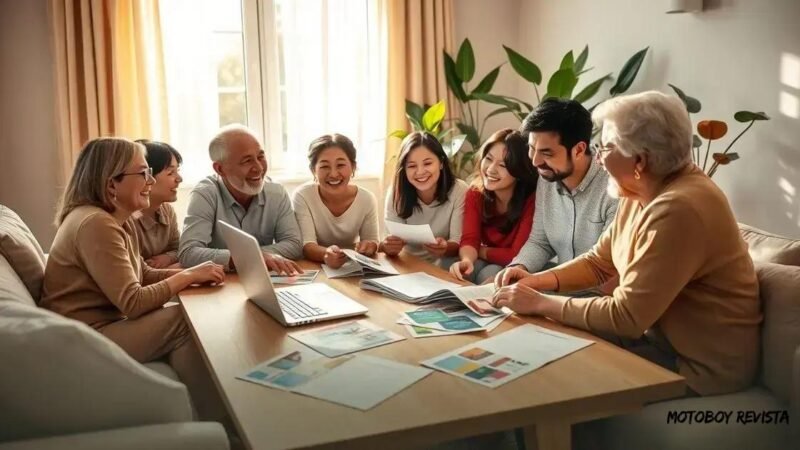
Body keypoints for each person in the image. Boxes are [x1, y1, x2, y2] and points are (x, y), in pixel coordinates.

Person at [492, 91, 761, 396]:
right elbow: (598, 261)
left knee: (551, 378)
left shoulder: (680, 208)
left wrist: (540, 302)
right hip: (656, 341)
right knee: (530, 349)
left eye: (604, 147)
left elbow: (626, 317)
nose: (599, 158)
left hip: (698, 365)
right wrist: (536, 281)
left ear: (640, 160)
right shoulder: (640, 189)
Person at [40, 137, 227, 419]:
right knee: (182, 319)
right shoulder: (96, 224)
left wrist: (196, 275)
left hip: (102, 327)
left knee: (188, 309)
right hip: (85, 339)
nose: (150, 181)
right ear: (111, 183)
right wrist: (187, 275)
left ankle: (203, 412)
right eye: (143, 173)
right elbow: (133, 301)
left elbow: (144, 274)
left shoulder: (116, 218)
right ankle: (216, 419)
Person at [495, 98, 618, 287]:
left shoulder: (614, 187)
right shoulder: (548, 178)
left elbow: (604, 265)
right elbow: (540, 241)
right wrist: (520, 267)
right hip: (558, 288)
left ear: (578, 150)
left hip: (599, 296)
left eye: (546, 153)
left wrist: (539, 284)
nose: (535, 161)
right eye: (532, 148)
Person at [179, 124, 303, 275]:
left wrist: (254, 257)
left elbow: (294, 244)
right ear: (220, 169)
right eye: (247, 161)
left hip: (259, 279)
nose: (258, 168)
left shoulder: (276, 192)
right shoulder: (205, 194)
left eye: (260, 157)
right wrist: (254, 257)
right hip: (220, 284)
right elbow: (188, 253)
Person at [449, 128, 538, 284]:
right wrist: (467, 259)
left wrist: (480, 250)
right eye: (488, 159)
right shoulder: (475, 193)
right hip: (490, 258)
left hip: (518, 266)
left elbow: (516, 255)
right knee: (456, 267)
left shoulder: (532, 200)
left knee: (490, 273)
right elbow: (470, 239)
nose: (490, 169)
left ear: (519, 170)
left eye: (503, 165)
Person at [291, 134, 379, 269]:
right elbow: (307, 245)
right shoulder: (303, 196)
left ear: (353, 167)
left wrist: (370, 246)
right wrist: (325, 254)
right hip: (314, 267)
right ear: (313, 170)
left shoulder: (367, 199)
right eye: (325, 166)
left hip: (350, 269)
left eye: (340, 165)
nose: (333, 174)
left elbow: (372, 241)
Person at [381, 131, 468, 263]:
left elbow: (457, 243)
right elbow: (389, 244)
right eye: (412, 166)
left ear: (441, 163)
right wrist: (389, 246)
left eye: (427, 163)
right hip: (406, 263)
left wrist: (445, 247)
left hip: (444, 264)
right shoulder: (395, 192)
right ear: (404, 169)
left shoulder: (459, 190)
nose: (420, 172)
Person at [132, 139, 183, 268]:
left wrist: (168, 258)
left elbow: (181, 249)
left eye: (178, 171)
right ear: (146, 175)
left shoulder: (167, 210)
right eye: (171, 173)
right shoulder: (127, 219)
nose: (179, 179)